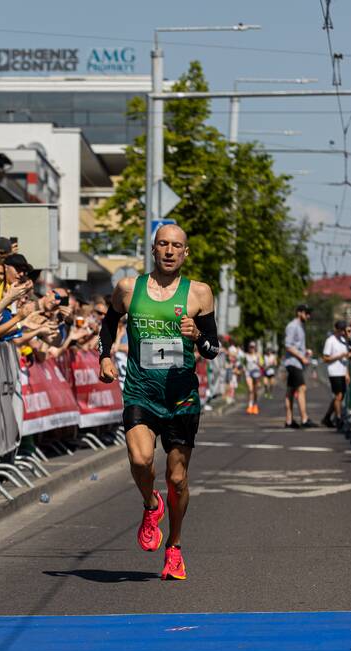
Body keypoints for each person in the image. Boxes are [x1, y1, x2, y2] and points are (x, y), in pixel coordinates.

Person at [98, 223, 218, 581]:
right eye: (163, 244)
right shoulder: (128, 288)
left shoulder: (199, 293)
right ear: (153, 249)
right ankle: (151, 505)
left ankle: (175, 546)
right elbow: (109, 324)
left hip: (181, 397)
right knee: (140, 458)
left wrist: (197, 335)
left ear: (185, 253)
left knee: (178, 479)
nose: (169, 251)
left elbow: (212, 350)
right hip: (140, 391)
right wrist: (105, 357)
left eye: (176, 246)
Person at [283, 303, 316, 428]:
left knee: (290, 391)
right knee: (301, 388)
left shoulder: (301, 326)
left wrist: (305, 351)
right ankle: (304, 419)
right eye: (306, 313)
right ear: (299, 313)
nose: (308, 316)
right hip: (293, 363)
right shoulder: (293, 326)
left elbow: (296, 345)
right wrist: (301, 356)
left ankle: (289, 420)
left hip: (297, 362)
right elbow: (288, 345)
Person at [321, 319, 351, 428]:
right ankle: (338, 417)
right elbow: (325, 358)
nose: (342, 332)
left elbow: (346, 358)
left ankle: (327, 417)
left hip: (342, 371)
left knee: (340, 396)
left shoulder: (343, 340)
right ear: (336, 329)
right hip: (334, 371)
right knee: (338, 395)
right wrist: (338, 356)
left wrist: (347, 373)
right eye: (340, 330)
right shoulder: (330, 341)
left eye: (343, 330)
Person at [242, 341, 262, 414]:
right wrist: (244, 369)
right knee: (250, 390)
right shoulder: (246, 355)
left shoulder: (258, 355)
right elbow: (243, 363)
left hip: (256, 373)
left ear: (255, 347)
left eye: (253, 347)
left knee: (255, 391)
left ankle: (255, 405)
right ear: (249, 347)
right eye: (251, 347)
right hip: (248, 373)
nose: (252, 348)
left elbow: (261, 365)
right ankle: (250, 406)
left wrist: (257, 362)